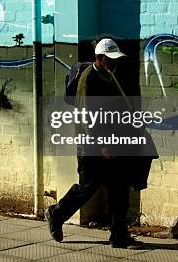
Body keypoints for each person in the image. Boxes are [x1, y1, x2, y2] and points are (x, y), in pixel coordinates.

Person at [45, 38, 147, 249]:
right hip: (91, 145)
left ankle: (119, 236)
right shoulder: (88, 79)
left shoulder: (110, 76)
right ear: (100, 59)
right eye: (111, 59)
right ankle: (56, 213)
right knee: (88, 187)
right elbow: (86, 117)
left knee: (120, 188)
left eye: (116, 59)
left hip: (111, 140)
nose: (115, 63)